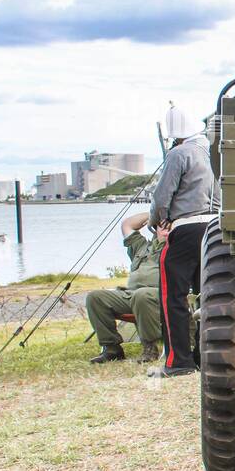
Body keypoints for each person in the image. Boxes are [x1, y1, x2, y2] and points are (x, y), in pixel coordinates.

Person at [148, 127, 219, 378]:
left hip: (186, 228)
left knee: (172, 297)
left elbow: (161, 196)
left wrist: (157, 220)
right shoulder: (214, 151)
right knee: (210, 295)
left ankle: (178, 361)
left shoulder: (179, 153)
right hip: (214, 228)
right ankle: (205, 356)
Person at [84, 213, 164, 364]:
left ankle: (149, 348)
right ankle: (112, 348)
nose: (166, 229)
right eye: (162, 226)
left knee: (142, 295)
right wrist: (156, 212)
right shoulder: (141, 246)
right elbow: (127, 224)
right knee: (95, 297)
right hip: (131, 296)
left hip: (159, 296)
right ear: (155, 228)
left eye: (170, 226)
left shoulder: (178, 247)